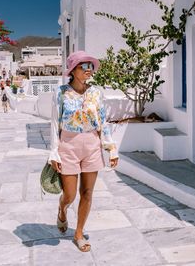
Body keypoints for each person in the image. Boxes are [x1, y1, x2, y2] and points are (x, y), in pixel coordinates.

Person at [49, 50, 119, 252]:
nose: (89, 71)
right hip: (68, 145)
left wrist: (111, 147)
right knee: (69, 195)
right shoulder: (61, 92)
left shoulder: (96, 92)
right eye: (84, 67)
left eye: (91, 66)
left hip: (92, 144)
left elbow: (103, 121)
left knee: (87, 192)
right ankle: (62, 209)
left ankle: (78, 233)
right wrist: (54, 151)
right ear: (73, 70)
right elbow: (54, 123)